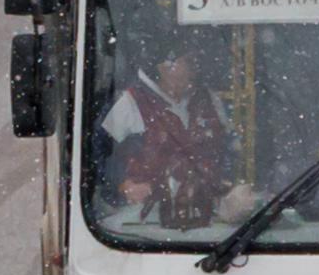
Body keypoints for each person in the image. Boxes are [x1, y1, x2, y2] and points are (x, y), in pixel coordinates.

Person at [99, 47, 255, 227]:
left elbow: (231, 150)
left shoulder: (210, 101)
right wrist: (123, 185)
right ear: (163, 67)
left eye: (194, 63)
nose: (192, 70)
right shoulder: (132, 102)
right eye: (187, 62)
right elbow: (99, 157)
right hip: (144, 222)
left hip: (208, 219)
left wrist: (230, 190)